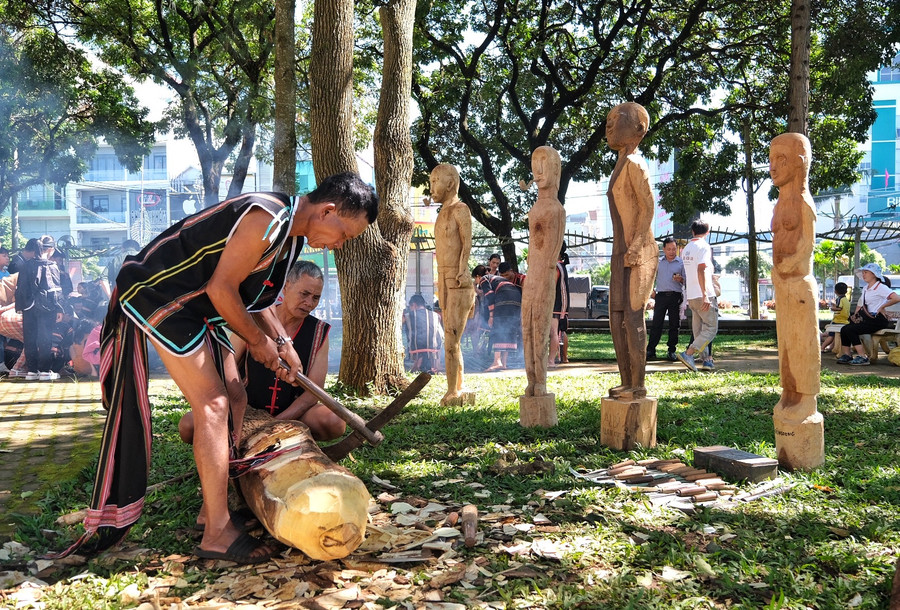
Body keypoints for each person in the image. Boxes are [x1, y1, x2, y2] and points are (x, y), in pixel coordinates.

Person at [56, 173, 378, 565]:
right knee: (212, 405)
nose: (340, 244)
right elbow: (221, 289)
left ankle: (213, 509)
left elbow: (257, 303)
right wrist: (259, 344)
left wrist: (284, 346)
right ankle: (216, 534)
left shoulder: (290, 239)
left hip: (196, 308)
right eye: (343, 233)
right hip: (162, 295)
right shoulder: (267, 216)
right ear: (327, 211)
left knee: (236, 394)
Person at [179, 260, 344, 443]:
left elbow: (313, 392)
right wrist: (234, 409)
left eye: (315, 297)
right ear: (286, 287)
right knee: (188, 425)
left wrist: (274, 423)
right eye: (304, 294)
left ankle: (289, 440)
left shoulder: (320, 332)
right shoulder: (256, 318)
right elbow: (229, 365)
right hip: (246, 410)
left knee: (334, 422)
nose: (309, 303)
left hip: (293, 415)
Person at [606, 102, 658, 398]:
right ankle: (626, 380)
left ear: (639, 128)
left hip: (639, 251)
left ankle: (638, 384)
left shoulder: (636, 164)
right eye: (608, 120)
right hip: (619, 251)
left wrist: (637, 245)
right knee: (616, 318)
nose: (609, 126)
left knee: (632, 317)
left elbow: (648, 207)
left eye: (616, 119)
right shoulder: (620, 163)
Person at [521, 146, 565, 398]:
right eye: (533, 163)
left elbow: (551, 255)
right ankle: (530, 379)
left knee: (539, 328)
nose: (537, 170)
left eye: (543, 163)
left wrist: (543, 273)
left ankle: (541, 381)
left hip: (544, 276)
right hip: (531, 274)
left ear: (555, 169)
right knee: (526, 327)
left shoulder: (556, 209)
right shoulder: (535, 208)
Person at [431, 163, 477, 405]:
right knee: (451, 338)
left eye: (435, 181)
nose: (431, 187)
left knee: (451, 338)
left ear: (450, 183)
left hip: (458, 280)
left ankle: (453, 390)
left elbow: (467, 243)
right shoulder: (440, 213)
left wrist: (461, 270)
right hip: (443, 277)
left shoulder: (461, 209)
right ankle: (456, 386)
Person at [14, 235, 64, 381]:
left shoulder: (26, 264)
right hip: (47, 307)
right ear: (51, 250)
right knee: (45, 338)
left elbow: (20, 288)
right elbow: (55, 289)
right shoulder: (52, 266)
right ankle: (44, 371)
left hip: (28, 307)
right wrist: (60, 308)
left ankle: (32, 371)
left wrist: (20, 306)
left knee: (29, 338)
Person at [837, 263, 900, 365]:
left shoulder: (881, 287)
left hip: (878, 320)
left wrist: (882, 307)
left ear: (874, 274)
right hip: (868, 319)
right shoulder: (866, 288)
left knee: (851, 330)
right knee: (844, 329)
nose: (863, 274)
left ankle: (863, 357)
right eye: (863, 272)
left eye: (866, 272)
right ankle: (847, 355)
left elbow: (896, 298)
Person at [676, 220, 718, 372]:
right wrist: (706, 294)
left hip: (691, 295)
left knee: (698, 331)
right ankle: (689, 353)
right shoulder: (704, 247)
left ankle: (706, 360)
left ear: (692, 231)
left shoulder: (686, 248)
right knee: (711, 328)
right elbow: (701, 270)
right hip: (702, 294)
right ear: (707, 233)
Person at [646, 237, 685, 362]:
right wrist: (651, 291)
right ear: (664, 249)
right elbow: (651, 277)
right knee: (657, 323)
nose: (672, 252)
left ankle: (671, 350)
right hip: (661, 296)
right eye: (669, 249)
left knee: (675, 324)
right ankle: (651, 349)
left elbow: (686, 281)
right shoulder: (658, 262)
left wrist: (681, 280)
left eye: (674, 249)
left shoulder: (681, 263)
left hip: (676, 296)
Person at [484, 262, 522, 371]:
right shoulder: (500, 280)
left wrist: (491, 316)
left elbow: (490, 297)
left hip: (505, 300)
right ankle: (504, 363)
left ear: (477, 276)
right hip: (516, 299)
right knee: (508, 329)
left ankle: (496, 361)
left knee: (499, 328)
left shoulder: (483, 279)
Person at [404, 294, 444, 374]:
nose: (410, 309)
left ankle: (418, 363)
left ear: (414, 305)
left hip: (416, 346)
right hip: (433, 347)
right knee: (438, 336)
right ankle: (435, 364)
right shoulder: (436, 315)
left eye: (410, 307)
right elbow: (441, 334)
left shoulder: (408, 316)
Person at [551, 246, 570, 365]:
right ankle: (564, 357)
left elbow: (551, 285)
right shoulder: (561, 265)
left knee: (553, 331)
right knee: (560, 331)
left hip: (557, 302)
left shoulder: (556, 266)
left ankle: (551, 360)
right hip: (562, 302)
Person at [820, 282, 849, 352]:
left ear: (835, 291)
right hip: (845, 320)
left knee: (831, 336)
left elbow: (839, 308)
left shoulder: (839, 299)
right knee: (834, 336)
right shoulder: (846, 299)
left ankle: (822, 347)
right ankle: (831, 347)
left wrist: (832, 307)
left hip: (838, 320)